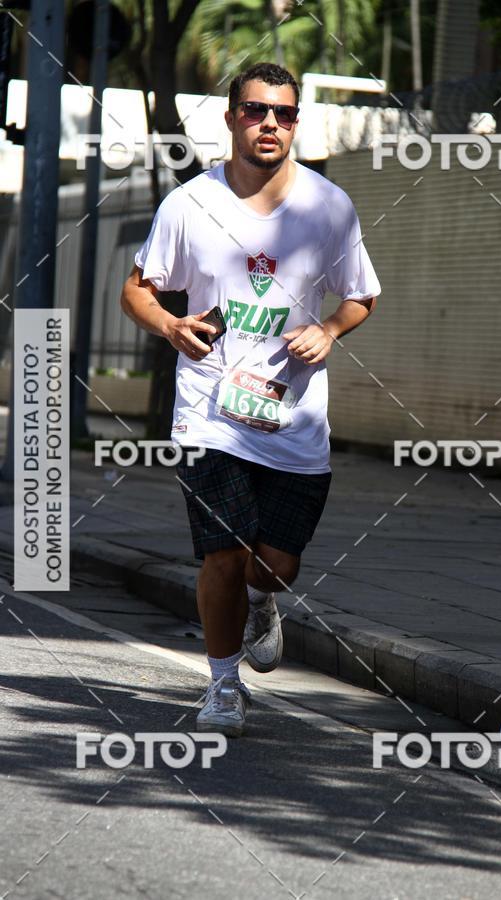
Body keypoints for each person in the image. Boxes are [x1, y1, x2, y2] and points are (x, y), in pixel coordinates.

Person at [121, 61, 381, 737]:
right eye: (258, 110)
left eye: (285, 113)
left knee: (274, 564)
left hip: (294, 417)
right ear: (231, 117)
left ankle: (265, 600)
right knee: (223, 554)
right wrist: (171, 325)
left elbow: (362, 295)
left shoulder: (328, 206)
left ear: (296, 122)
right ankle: (223, 686)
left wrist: (328, 329)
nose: (271, 123)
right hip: (211, 414)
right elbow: (137, 289)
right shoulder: (189, 204)